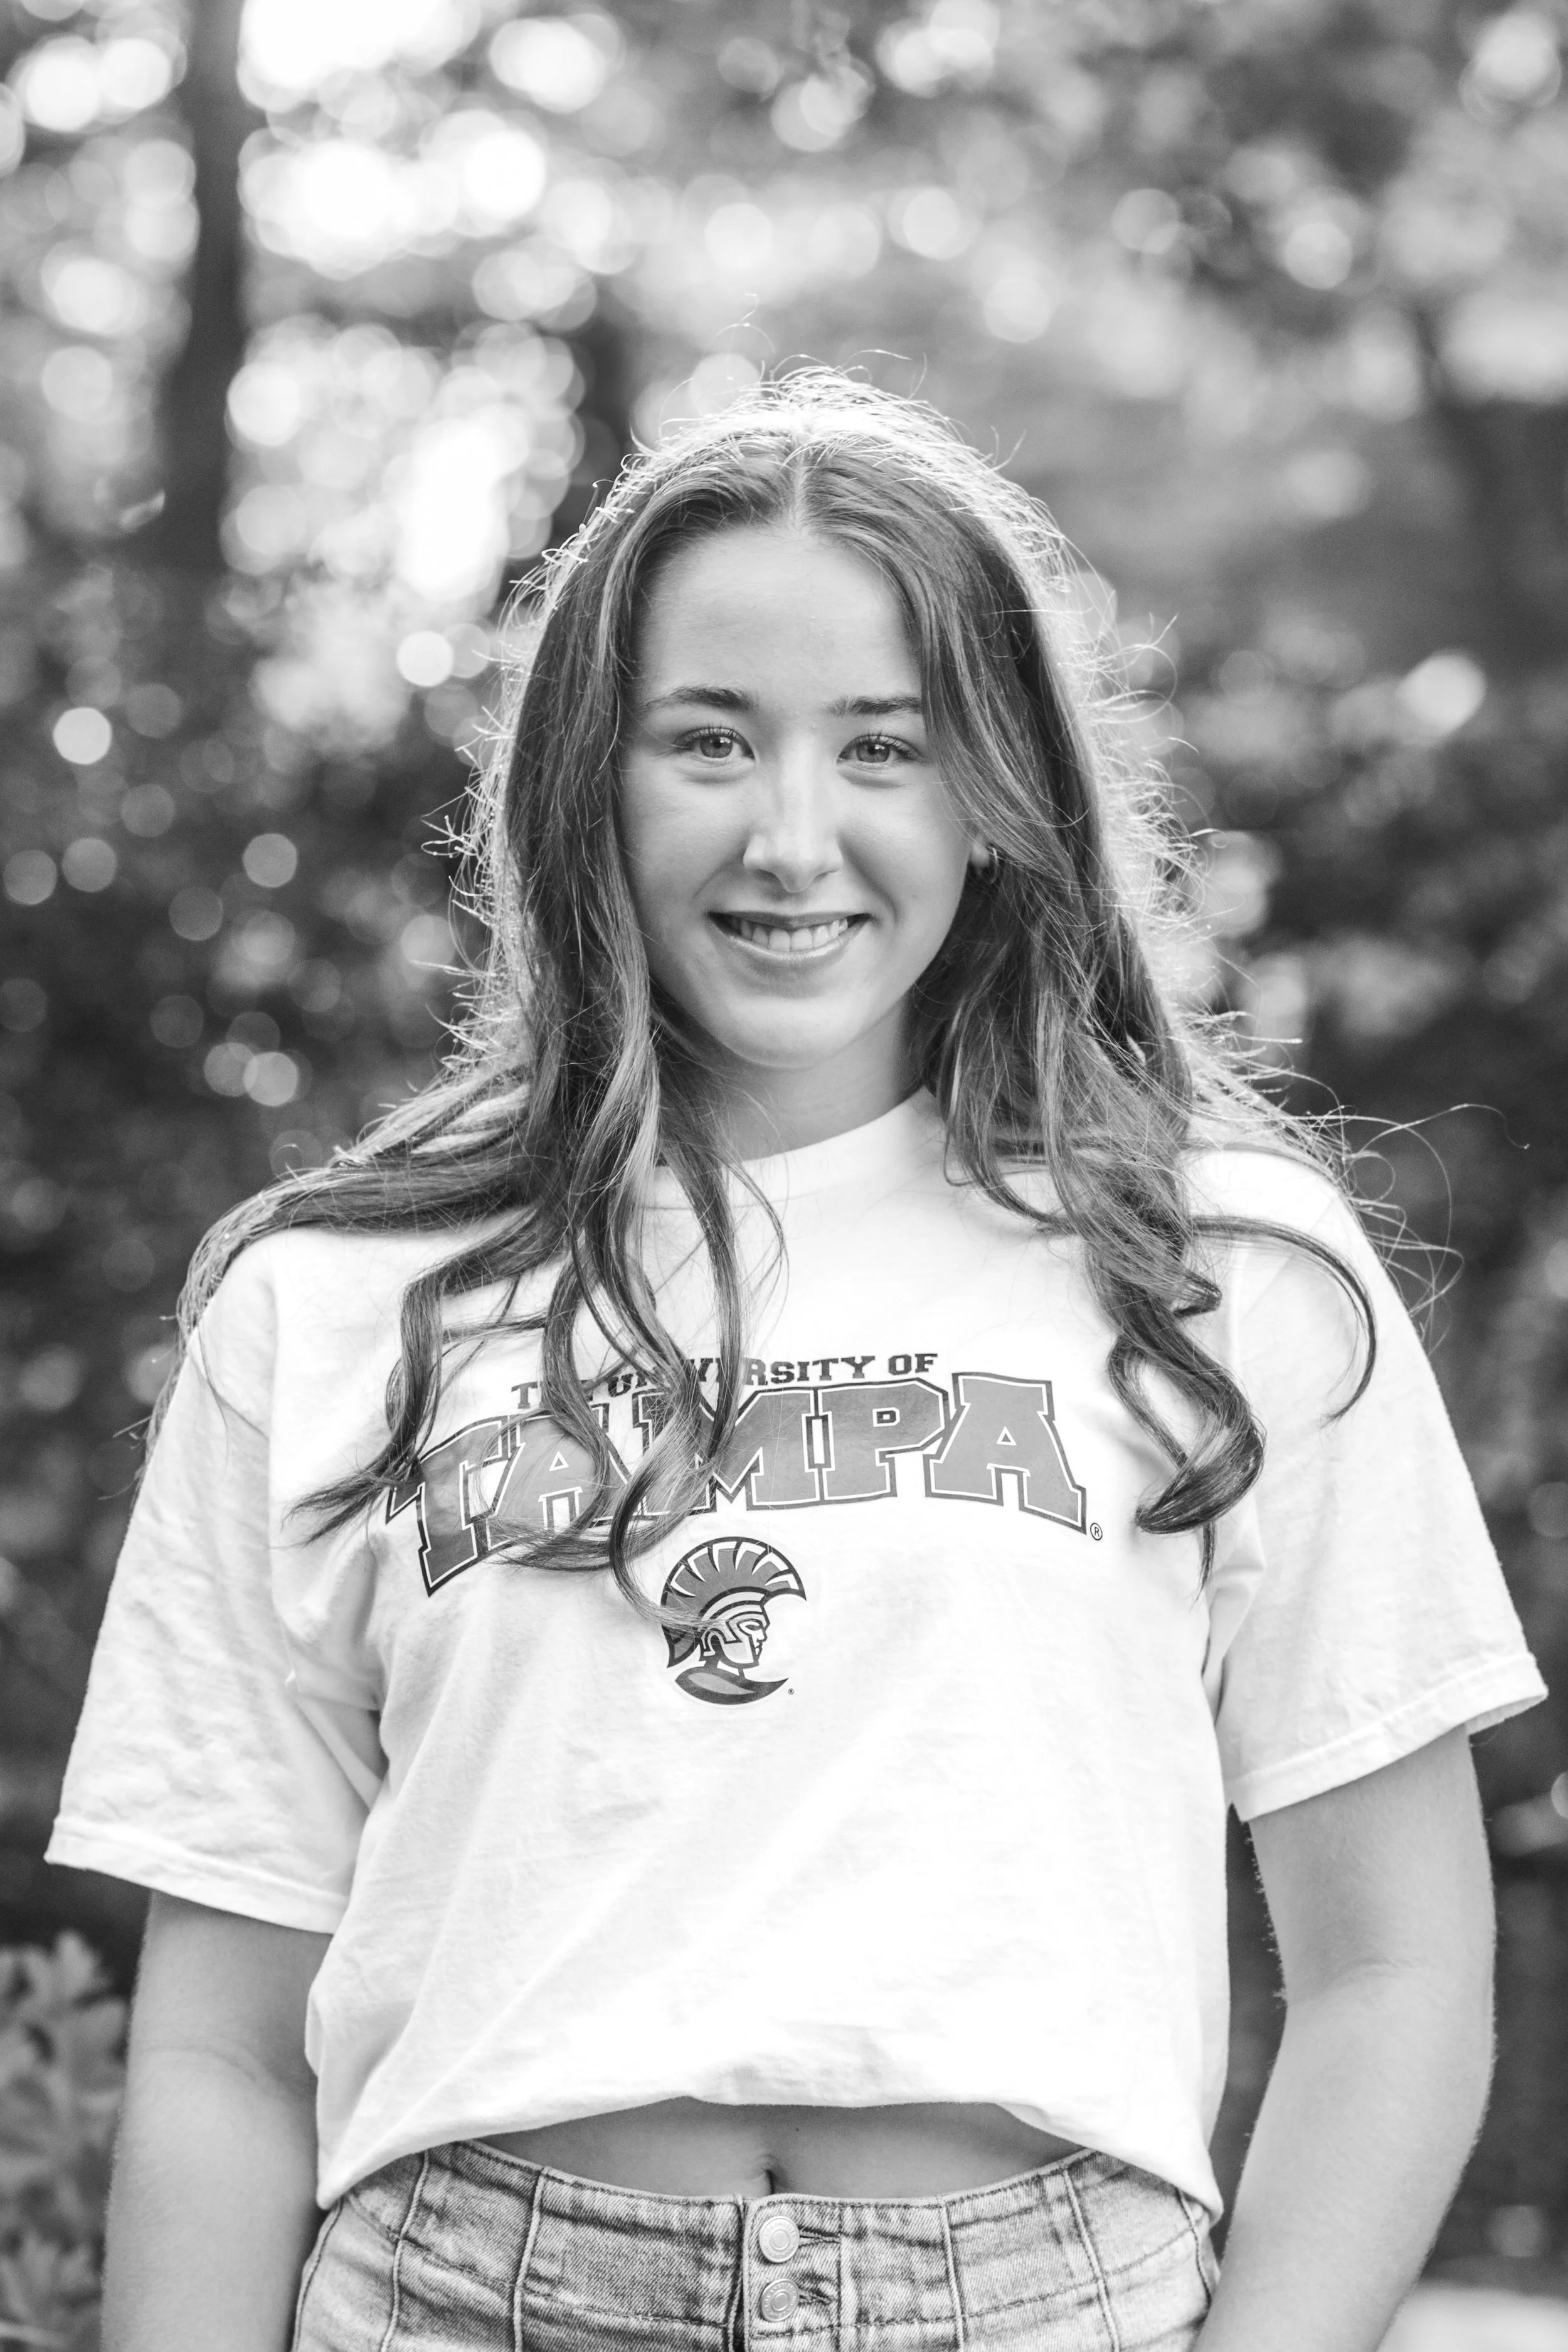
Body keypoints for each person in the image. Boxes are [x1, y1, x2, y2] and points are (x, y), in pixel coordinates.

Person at [50, 373, 1544, 2352]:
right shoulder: (337, 1298)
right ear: (591, 772)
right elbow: (227, 2054)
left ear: (998, 792)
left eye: (884, 747)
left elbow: (1397, 1972)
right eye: (708, 739)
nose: (791, 834)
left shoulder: (1216, 1267)